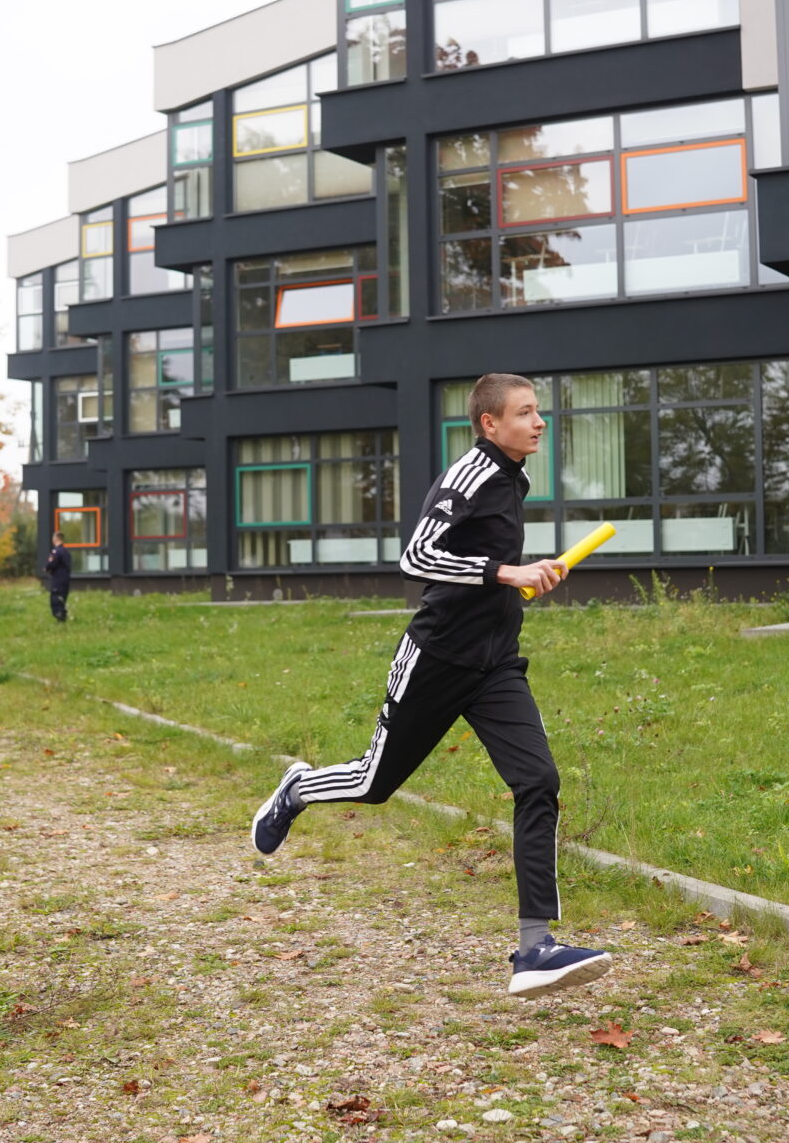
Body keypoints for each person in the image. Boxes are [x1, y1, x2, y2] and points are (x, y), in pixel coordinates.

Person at [248, 373, 612, 999]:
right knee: (375, 783)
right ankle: (298, 788)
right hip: (436, 660)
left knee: (538, 782)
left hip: (496, 666)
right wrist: (506, 573)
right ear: (490, 423)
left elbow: (484, 564)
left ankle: (535, 947)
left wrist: (523, 576)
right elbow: (414, 558)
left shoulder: (514, 476)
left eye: (539, 411)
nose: (539, 422)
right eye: (525, 413)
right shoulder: (467, 476)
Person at [44, 530, 71, 623]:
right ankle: (62, 617)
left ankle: (60, 617)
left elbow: (52, 563)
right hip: (65, 579)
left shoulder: (56, 551)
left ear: (55, 539)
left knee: (55, 598)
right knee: (62, 597)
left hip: (58, 579)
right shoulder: (66, 552)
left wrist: (46, 568)